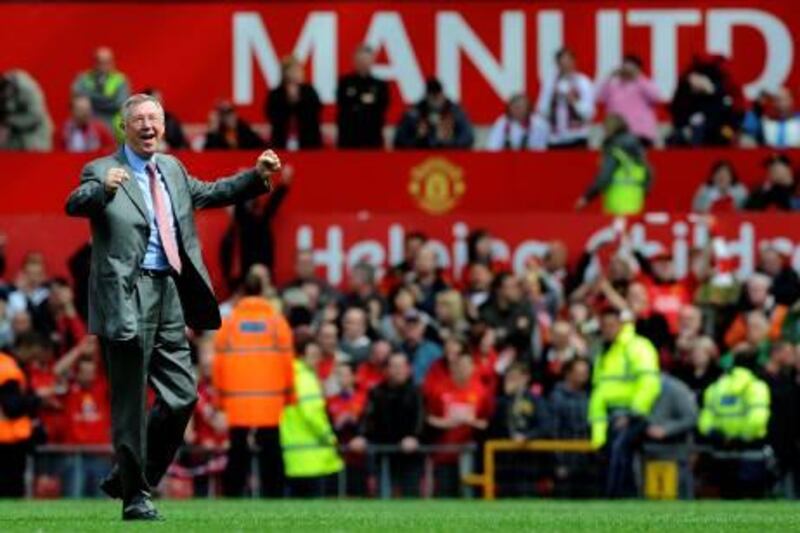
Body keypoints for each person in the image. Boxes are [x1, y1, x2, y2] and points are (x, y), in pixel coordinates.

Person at [64, 93, 282, 520]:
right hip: (126, 297)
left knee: (183, 396)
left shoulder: (173, 169)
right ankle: (135, 497)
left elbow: (212, 192)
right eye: (139, 119)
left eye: (154, 119)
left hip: (168, 294)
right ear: (124, 128)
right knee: (130, 402)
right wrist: (101, 190)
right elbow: (75, 202)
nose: (148, 126)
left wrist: (255, 176)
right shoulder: (104, 169)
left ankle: (130, 475)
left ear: (163, 128)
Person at [213, 270, 295, 498]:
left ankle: (232, 498)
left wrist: (220, 403)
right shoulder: (278, 324)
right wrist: (289, 398)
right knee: (272, 454)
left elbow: (217, 368)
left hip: (236, 404)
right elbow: (288, 364)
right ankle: (275, 498)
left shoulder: (228, 325)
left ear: (240, 293)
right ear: (263, 291)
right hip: (270, 403)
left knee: (237, 454)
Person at [588, 306, 661, 498]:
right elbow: (600, 391)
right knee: (611, 454)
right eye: (604, 325)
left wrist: (633, 413)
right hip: (610, 415)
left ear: (622, 324)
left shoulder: (637, 347)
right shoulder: (605, 352)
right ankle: (620, 496)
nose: (607, 329)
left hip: (631, 413)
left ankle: (619, 496)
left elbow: (649, 382)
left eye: (612, 325)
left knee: (620, 451)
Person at [350, 352, 425, 497]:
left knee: (410, 496)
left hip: (409, 454)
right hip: (383, 451)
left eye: (401, 366)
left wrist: (414, 437)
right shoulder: (377, 392)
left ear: (408, 369)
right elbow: (367, 417)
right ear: (387, 369)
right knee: (381, 494)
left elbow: (421, 418)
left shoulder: (416, 392)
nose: (398, 370)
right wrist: (361, 436)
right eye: (394, 366)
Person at [698, 352, 772, 498]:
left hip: (721, 450)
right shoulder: (756, 386)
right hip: (750, 452)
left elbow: (705, 420)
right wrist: (740, 437)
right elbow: (757, 419)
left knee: (727, 499)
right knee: (753, 501)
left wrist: (717, 435)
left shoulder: (716, 387)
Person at [280, 338, 344, 498]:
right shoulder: (305, 379)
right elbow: (312, 414)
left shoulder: (290, 376)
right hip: (312, 457)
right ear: (301, 355)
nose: (317, 359)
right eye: (312, 354)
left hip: (293, 454)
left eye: (318, 355)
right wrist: (329, 437)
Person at [574, 114, 651, 216]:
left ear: (610, 128)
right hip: (635, 203)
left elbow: (604, 177)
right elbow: (649, 174)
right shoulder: (637, 148)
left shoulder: (614, 149)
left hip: (616, 203)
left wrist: (586, 197)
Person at [669, 54, 744, 147]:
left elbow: (732, 113)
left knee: (727, 134)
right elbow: (678, 112)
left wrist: (712, 90)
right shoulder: (686, 89)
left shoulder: (722, 89)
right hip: (694, 132)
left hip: (720, 129)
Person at [644, 374, 698, 499]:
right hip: (647, 451)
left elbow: (691, 417)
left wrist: (666, 429)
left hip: (674, 451)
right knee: (651, 498)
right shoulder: (636, 388)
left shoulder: (675, 389)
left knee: (677, 497)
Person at [549, 357, 594, 497]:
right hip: (566, 458)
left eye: (585, 373)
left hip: (585, 459)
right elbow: (554, 431)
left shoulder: (589, 396)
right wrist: (559, 461)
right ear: (568, 374)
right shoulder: (557, 397)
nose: (583, 376)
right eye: (579, 372)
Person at [596, 55, 661, 147]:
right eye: (625, 66)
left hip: (640, 134)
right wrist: (610, 77)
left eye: (631, 67)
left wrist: (638, 77)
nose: (627, 70)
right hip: (616, 134)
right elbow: (601, 97)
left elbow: (655, 97)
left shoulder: (644, 83)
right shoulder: (613, 85)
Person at [535, 48, 594, 149]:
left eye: (568, 62)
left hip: (577, 137)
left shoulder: (583, 82)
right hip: (555, 139)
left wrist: (573, 100)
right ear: (557, 65)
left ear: (574, 62)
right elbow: (541, 110)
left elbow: (589, 113)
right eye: (562, 63)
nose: (565, 66)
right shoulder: (550, 84)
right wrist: (551, 98)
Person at [394, 77, 474, 149]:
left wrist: (447, 142)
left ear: (442, 94)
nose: (435, 99)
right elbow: (399, 140)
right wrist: (419, 139)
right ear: (426, 95)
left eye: (438, 95)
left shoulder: (455, 112)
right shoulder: (414, 113)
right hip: (419, 154)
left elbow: (468, 138)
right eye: (432, 96)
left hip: (450, 154)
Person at [336, 45, 389, 148]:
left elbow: (382, 105)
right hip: (349, 138)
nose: (363, 63)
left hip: (372, 137)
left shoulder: (379, 85)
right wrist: (365, 100)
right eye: (360, 59)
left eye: (366, 59)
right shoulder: (345, 82)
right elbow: (343, 103)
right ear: (354, 61)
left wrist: (357, 101)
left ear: (372, 61)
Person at [266, 55, 322, 150]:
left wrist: (299, 101)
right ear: (285, 73)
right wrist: (288, 101)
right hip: (282, 143)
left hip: (308, 144)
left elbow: (315, 113)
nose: (297, 73)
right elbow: (273, 116)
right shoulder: (276, 94)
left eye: (298, 69)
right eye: (293, 70)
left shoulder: (309, 91)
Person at [0, 349, 36, 497]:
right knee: (11, 490)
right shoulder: (7, 367)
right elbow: (12, 407)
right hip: (8, 438)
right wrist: (37, 400)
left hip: (9, 438)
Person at [71, 47, 130, 135]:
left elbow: (119, 104)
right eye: (99, 62)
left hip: (114, 130)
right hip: (87, 128)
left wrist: (90, 100)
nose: (103, 66)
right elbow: (76, 98)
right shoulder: (83, 78)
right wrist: (109, 99)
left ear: (112, 62)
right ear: (94, 62)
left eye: (106, 62)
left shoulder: (120, 80)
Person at [0, 69, 53, 151]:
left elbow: (36, 116)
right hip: (12, 135)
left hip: (35, 133)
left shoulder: (27, 87)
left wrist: (8, 121)